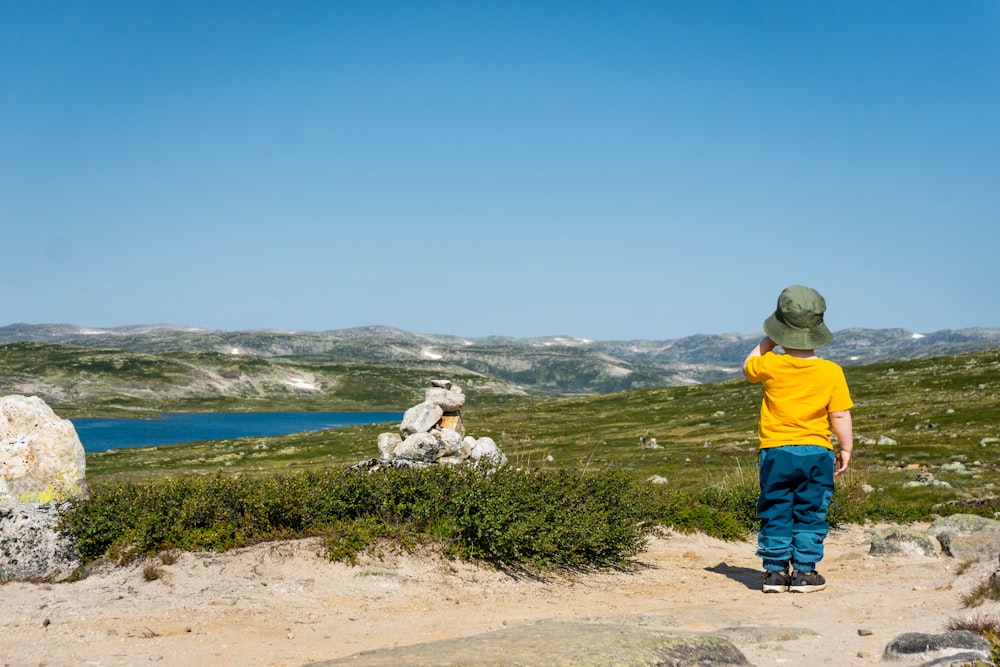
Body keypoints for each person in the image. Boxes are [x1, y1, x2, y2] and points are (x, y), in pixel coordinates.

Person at [742, 285, 854, 594]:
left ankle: (775, 573)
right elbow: (841, 416)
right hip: (817, 452)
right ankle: (805, 573)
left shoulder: (771, 365)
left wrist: (770, 338)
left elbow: (748, 367)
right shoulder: (832, 372)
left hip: (776, 451)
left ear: (781, 328)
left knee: (776, 506)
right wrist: (845, 448)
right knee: (811, 510)